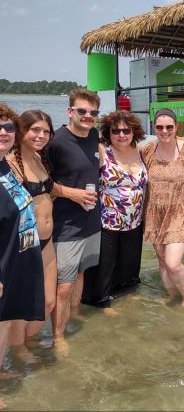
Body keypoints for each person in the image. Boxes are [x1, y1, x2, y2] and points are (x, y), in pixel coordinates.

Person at [44, 89, 101, 353]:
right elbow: (41, 183)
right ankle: (58, 337)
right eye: (82, 111)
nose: (88, 117)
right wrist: (71, 193)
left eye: (93, 113)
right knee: (63, 287)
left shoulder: (94, 135)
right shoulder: (55, 142)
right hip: (66, 224)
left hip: (91, 220)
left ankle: (75, 315)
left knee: (80, 273)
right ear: (70, 112)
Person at [82, 110, 147, 313]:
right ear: (108, 133)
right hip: (107, 220)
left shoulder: (141, 150)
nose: (121, 135)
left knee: (129, 262)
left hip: (134, 220)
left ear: (133, 131)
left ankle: (126, 293)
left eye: (126, 130)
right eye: (115, 130)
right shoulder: (103, 150)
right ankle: (100, 300)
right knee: (105, 263)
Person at [7, 110, 56, 362]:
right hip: (26, 243)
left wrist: (75, 194)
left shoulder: (38, 158)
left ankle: (28, 342)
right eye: (35, 130)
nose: (41, 135)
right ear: (21, 131)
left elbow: (50, 190)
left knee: (48, 303)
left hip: (47, 242)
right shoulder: (10, 164)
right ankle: (18, 350)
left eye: (46, 131)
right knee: (21, 307)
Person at [0, 103, 44, 379]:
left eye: (8, 126)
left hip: (16, 256)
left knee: (4, 323)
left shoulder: (5, 165)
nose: (3, 132)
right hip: (3, 264)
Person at [142, 108, 184, 307]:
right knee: (162, 260)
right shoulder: (147, 150)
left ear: (176, 127)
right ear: (154, 128)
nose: (164, 131)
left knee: (173, 262)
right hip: (155, 212)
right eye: (159, 127)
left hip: (181, 212)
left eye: (169, 127)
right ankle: (171, 296)